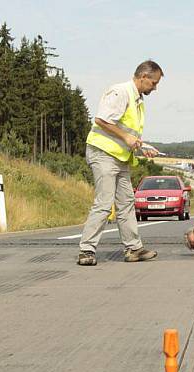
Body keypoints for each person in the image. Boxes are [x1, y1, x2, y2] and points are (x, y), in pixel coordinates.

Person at [77, 60, 163, 266]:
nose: (155, 87)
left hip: (121, 157)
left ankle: (133, 249)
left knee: (126, 204)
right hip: (103, 154)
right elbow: (102, 120)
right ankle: (86, 250)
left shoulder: (137, 100)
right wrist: (126, 138)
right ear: (143, 77)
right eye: (153, 82)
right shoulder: (120, 92)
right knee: (104, 203)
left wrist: (140, 146)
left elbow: (127, 132)